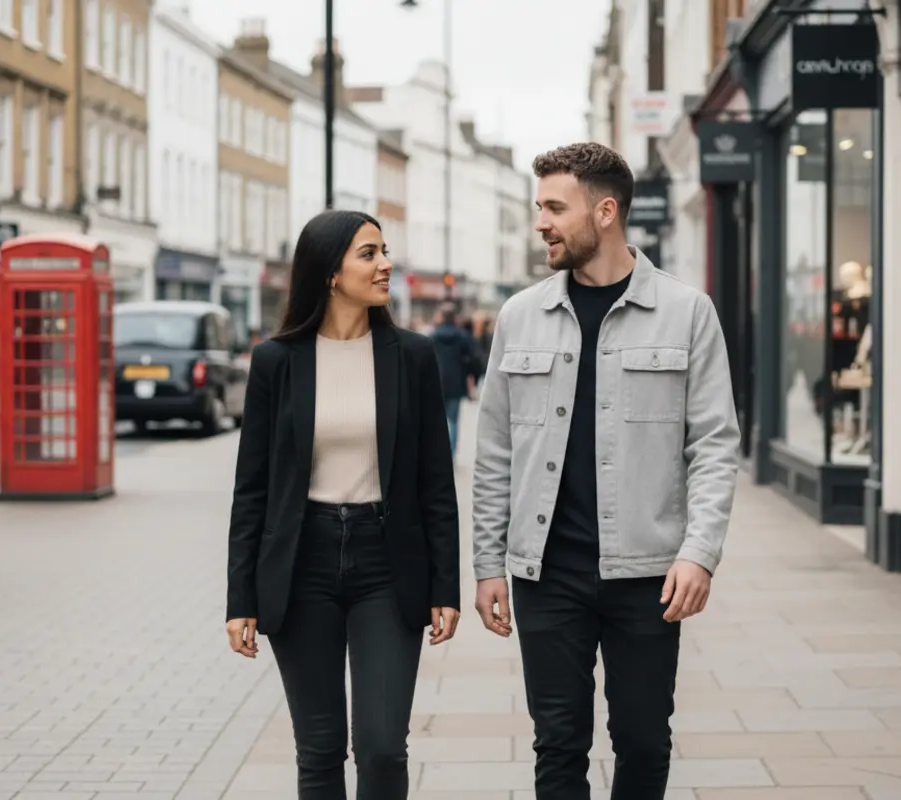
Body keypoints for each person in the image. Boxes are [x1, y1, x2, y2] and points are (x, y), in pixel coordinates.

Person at [471, 142, 740, 799]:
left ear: (607, 212)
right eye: (541, 207)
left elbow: (714, 443)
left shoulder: (687, 312)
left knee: (644, 742)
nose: (542, 222)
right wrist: (487, 563)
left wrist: (699, 554)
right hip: (548, 572)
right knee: (558, 746)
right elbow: (495, 450)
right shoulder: (520, 316)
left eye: (555, 208)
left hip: (648, 572)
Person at [226, 210, 462, 800]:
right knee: (321, 749)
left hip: (387, 560)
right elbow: (252, 489)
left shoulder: (412, 355)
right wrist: (240, 599)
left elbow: (436, 479)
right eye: (369, 253)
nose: (386, 264)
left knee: (382, 747)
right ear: (330, 273)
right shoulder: (276, 361)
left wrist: (445, 586)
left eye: (385, 251)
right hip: (302, 560)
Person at [428, 303, 478, 455]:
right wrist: (471, 378)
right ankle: (451, 452)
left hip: (436, 382)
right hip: (456, 383)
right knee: (454, 420)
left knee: (436, 420)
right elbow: (474, 359)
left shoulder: (432, 336)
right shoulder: (462, 336)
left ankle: (438, 451)